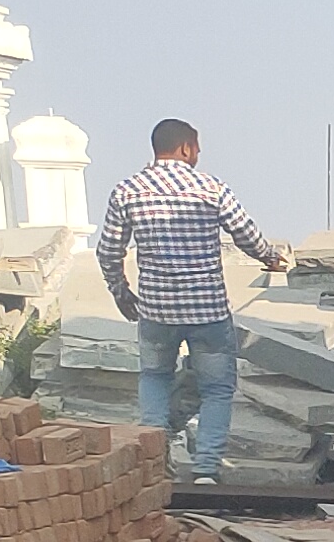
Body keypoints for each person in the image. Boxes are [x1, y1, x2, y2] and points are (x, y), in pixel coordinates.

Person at [98, 118, 291, 484]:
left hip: (156, 312)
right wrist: (269, 257)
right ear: (186, 148)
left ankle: (153, 465)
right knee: (217, 390)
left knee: (155, 378)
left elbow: (108, 252)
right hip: (209, 313)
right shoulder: (211, 188)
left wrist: (122, 294)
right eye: (198, 148)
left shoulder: (127, 191)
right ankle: (205, 470)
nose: (199, 155)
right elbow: (247, 235)